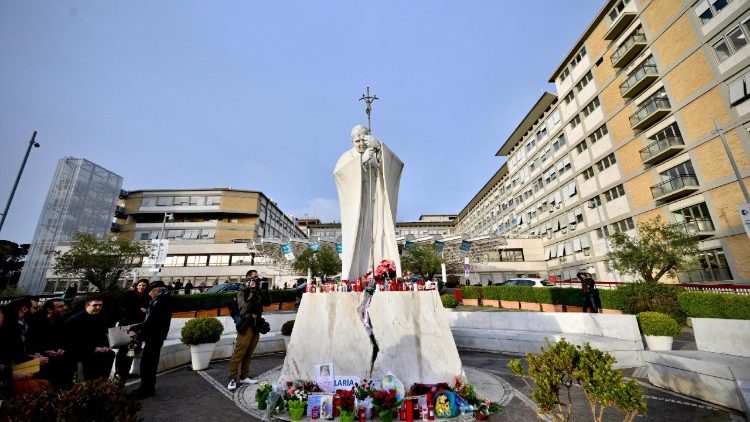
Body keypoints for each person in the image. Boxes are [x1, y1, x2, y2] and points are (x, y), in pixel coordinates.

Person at [334, 124, 404, 281]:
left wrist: (379, 149)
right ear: (351, 140)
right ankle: (358, 274)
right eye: (356, 140)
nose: (360, 144)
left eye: (363, 139)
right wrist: (359, 163)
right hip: (357, 205)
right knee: (359, 234)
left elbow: (396, 167)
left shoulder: (374, 152)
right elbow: (339, 175)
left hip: (376, 202)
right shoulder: (346, 158)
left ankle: (382, 270)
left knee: (379, 231)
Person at [227, 270, 271, 391]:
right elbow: (244, 308)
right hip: (246, 324)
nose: (257, 279)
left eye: (258, 277)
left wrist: (264, 290)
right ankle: (232, 378)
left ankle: (244, 376)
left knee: (249, 352)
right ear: (248, 279)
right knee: (239, 352)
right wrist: (251, 291)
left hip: (256, 324)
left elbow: (267, 303)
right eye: (255, 277)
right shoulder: (242, 290)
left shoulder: (258, 289)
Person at [131, 281, 172, 398]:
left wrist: (138, 327)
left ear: (156, 291)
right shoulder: (160, 300)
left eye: (150, 291)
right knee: (148, 362)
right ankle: (146, 387)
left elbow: (153, 320)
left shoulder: (161, 301)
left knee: (148, 363)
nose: (149, 294)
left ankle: (146, 389)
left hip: (155, 335)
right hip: (154, 335)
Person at [64, 296, 115, 380]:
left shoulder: (101, 318)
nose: (98, 307)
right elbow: (73, 341)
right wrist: (92, 349)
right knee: (91, 358)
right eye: (95, 305)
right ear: (87, 306)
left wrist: (105, 346)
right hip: (79, 350)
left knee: (110, 353)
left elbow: (103, 336)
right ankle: (91, 383)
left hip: (96, 348)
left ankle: (102, 382)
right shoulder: (75, 320)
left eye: (100, 305)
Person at [29, 299, 74, 389]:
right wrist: (45, 350)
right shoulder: (37, 322)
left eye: (64, 305)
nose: (64, 308)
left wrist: (61, 348)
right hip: (41, 357)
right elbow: (32, 342)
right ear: (50, 310)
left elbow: (63, 339)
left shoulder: (60, 321)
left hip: (56, 356)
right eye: (60, 307)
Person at [115, 279, 150, 383]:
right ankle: (119, 372)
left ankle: (125, 372)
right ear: (136, 286)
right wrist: (139, 309)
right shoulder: (129, 295)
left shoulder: (147, 297)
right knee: (122, 350)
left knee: (131, 350)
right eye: (140, 285)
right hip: (127, 326)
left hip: (138, 328)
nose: (141, 287)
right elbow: (123, 306)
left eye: (144, 285)